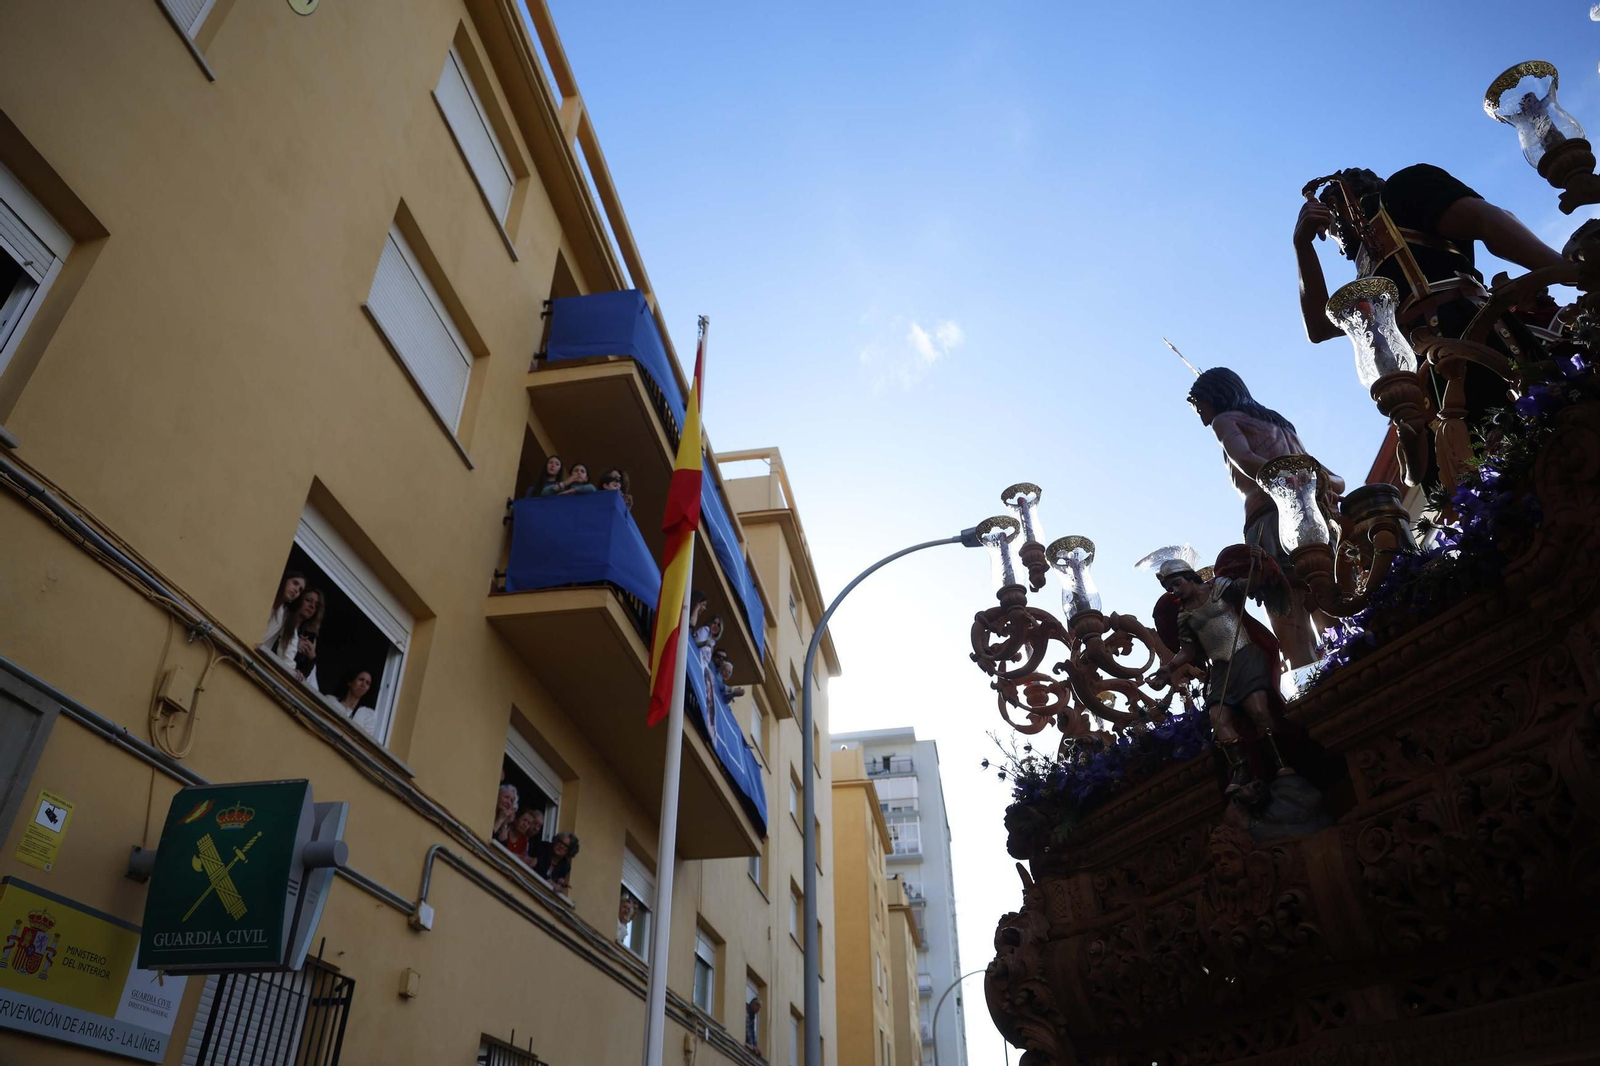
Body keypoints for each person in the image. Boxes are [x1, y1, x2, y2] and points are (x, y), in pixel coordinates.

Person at [1295, 165, 1566, 435]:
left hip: (1473, 337)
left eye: (1331, 218)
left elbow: (1487, 220)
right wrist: (1303, 246)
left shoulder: (1401, 192)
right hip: (1425, 380)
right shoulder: (1366, 274)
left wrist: (1565, 270)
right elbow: (1320, 328)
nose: (1331, 234)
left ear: (1343, 199)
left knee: (1543, 428)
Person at [1186, 368, 1343, 667]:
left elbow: (1244, 459)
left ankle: (1308, 676)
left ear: (1216, 395)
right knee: (1326, 589)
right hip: (1316, 516)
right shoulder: (1282, 425)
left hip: (1269, 518)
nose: (1203, 417)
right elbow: (1334, 479)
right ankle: (1349, 651)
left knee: (1284, 602)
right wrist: (1313, 482)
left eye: (1200, 406)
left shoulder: (1226, 420)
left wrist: (1286, 481)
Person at [1152, 550, 1291, 801]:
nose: (1175, 591)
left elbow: (1249, 585)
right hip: (1220, 668)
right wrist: (1168, 668)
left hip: (1245, 654)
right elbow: (1187, 650)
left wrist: (1259, 566)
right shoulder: (1184, 616)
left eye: (1176, 583)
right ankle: (1241, 771)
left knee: (1258, 710)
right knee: (1218, 719)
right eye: (1170, 588)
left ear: (1188, 576)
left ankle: (1280, 761)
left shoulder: (1220, 587)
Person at [325, 668, 380, 738]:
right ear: (350, 682)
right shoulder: (330, 700)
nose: (363, 684)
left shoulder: (368, 715)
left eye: (367, 683)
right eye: (361, 679)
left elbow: (365, 741)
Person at [265, 571, 306, 645]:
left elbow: (289, 648)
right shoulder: (264, 597)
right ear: (285, 580)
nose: (296, 590)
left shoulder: (284, 617)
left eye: (300, 590)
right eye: (295, 583)